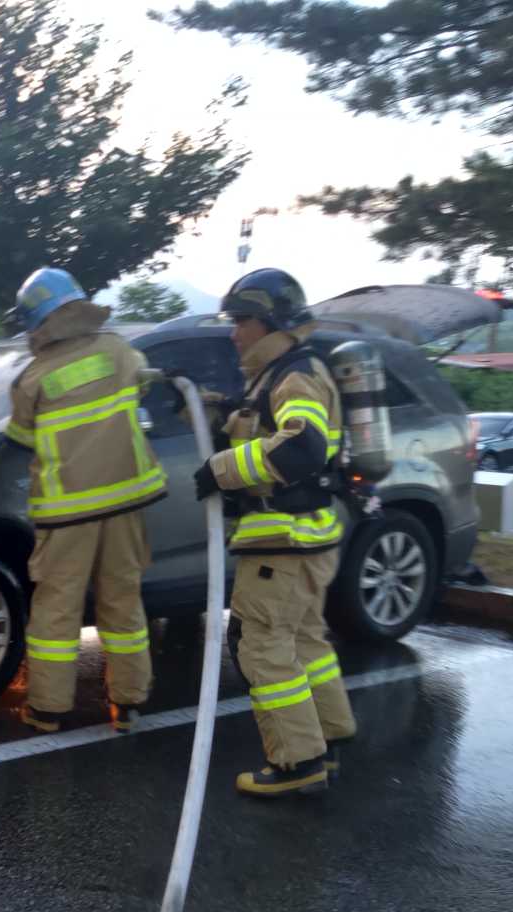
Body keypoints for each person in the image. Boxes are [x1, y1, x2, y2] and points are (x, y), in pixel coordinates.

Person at [193, 268, 357, 797]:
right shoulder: (283, 374)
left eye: (242, 321)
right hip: (307, 538)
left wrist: (220, 470)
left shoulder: (295, 376)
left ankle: (297, 762)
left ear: (271, 323)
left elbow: (301, 447)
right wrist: (216, 409)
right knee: (304, 640)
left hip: (284, 541)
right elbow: (264, 427)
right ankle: (329, 738)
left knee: (260, 644)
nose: (234, 332)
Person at [5, 267, 168, 734]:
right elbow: (143, 385)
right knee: (123, 601)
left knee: (57, 609)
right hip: (124, 502)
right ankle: (129, 703)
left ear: (36, 323)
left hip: (67, 513)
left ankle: (47, 710)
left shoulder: (32, 379)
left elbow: (20, 440)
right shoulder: (119, 352)